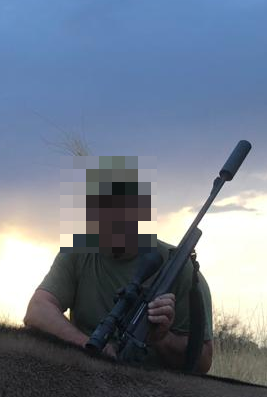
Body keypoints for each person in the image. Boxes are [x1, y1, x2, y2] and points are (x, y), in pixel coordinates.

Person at [24, 159, 213, 373]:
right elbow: (37, 310)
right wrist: (89, 348)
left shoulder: (179, 269)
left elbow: (203, 361)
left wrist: (161, 338)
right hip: (88, 379)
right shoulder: (78, 252)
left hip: (155, 392)